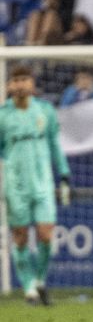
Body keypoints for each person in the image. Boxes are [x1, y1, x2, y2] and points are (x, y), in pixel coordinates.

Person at [0, 65, 71, 306]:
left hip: (42, 183)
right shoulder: (2, 115)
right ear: (10, 86)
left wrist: (64, 172)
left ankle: (39, 280)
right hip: (16, 185)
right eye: (16, 80)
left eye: (24, 79)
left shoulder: (45, 111)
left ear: (32, 84)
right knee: (20, 236)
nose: (20, 84)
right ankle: (28, 287)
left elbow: (54, 144)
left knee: (46, 235)